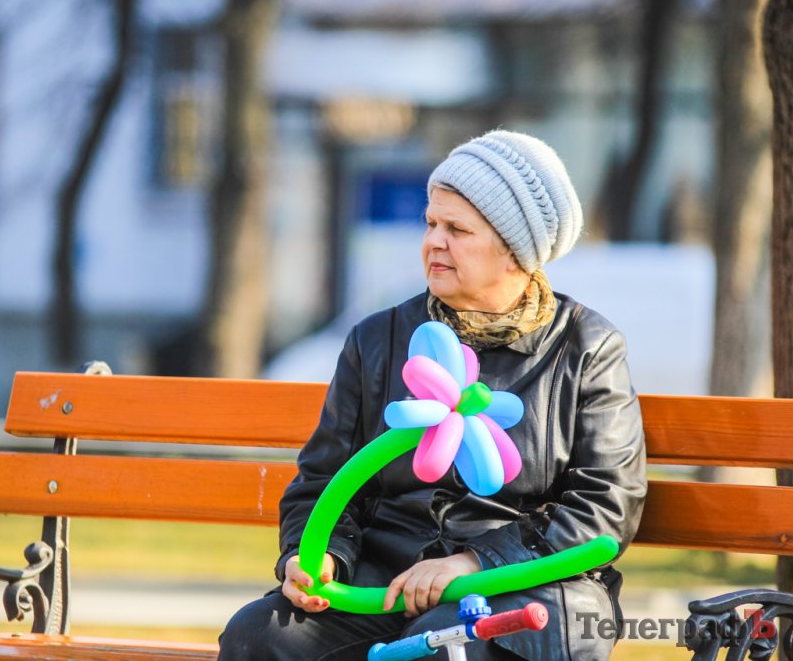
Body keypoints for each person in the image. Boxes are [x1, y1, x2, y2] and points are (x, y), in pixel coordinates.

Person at [218, 129, 647, 660]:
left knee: (441, 644)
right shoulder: (377, 339)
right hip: (385, 579)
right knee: (259, 634)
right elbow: (323, 480)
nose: (433, 242)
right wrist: (319, 557)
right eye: (430, 224)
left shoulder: (586, 346)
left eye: (457, 229)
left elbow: (605, 505)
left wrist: (474, 562)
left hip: (530, 584)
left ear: (515, 251)